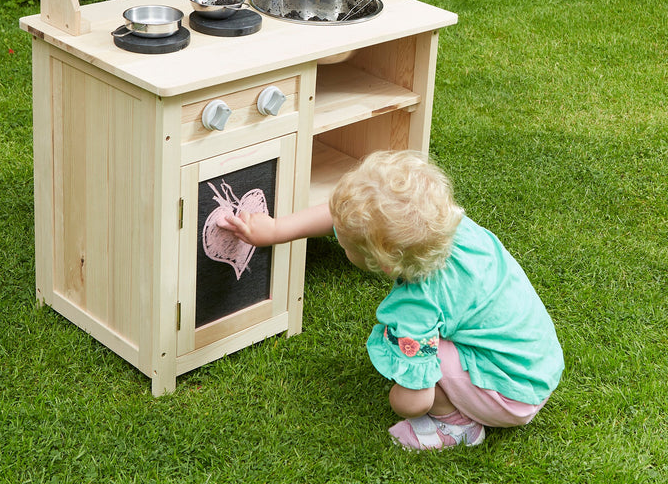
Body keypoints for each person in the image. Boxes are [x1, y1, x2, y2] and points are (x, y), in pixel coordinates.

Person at [217, 149, 564, 451]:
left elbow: (414, 400)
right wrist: (276, 229)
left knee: (407, 359)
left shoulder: (416, 306)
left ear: (381, 263)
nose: (339, 238)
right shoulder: (449, 225)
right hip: (537, 365)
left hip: (510, 396)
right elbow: (348, 219)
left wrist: (403, 397)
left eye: (346, 243)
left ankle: (456, 424)